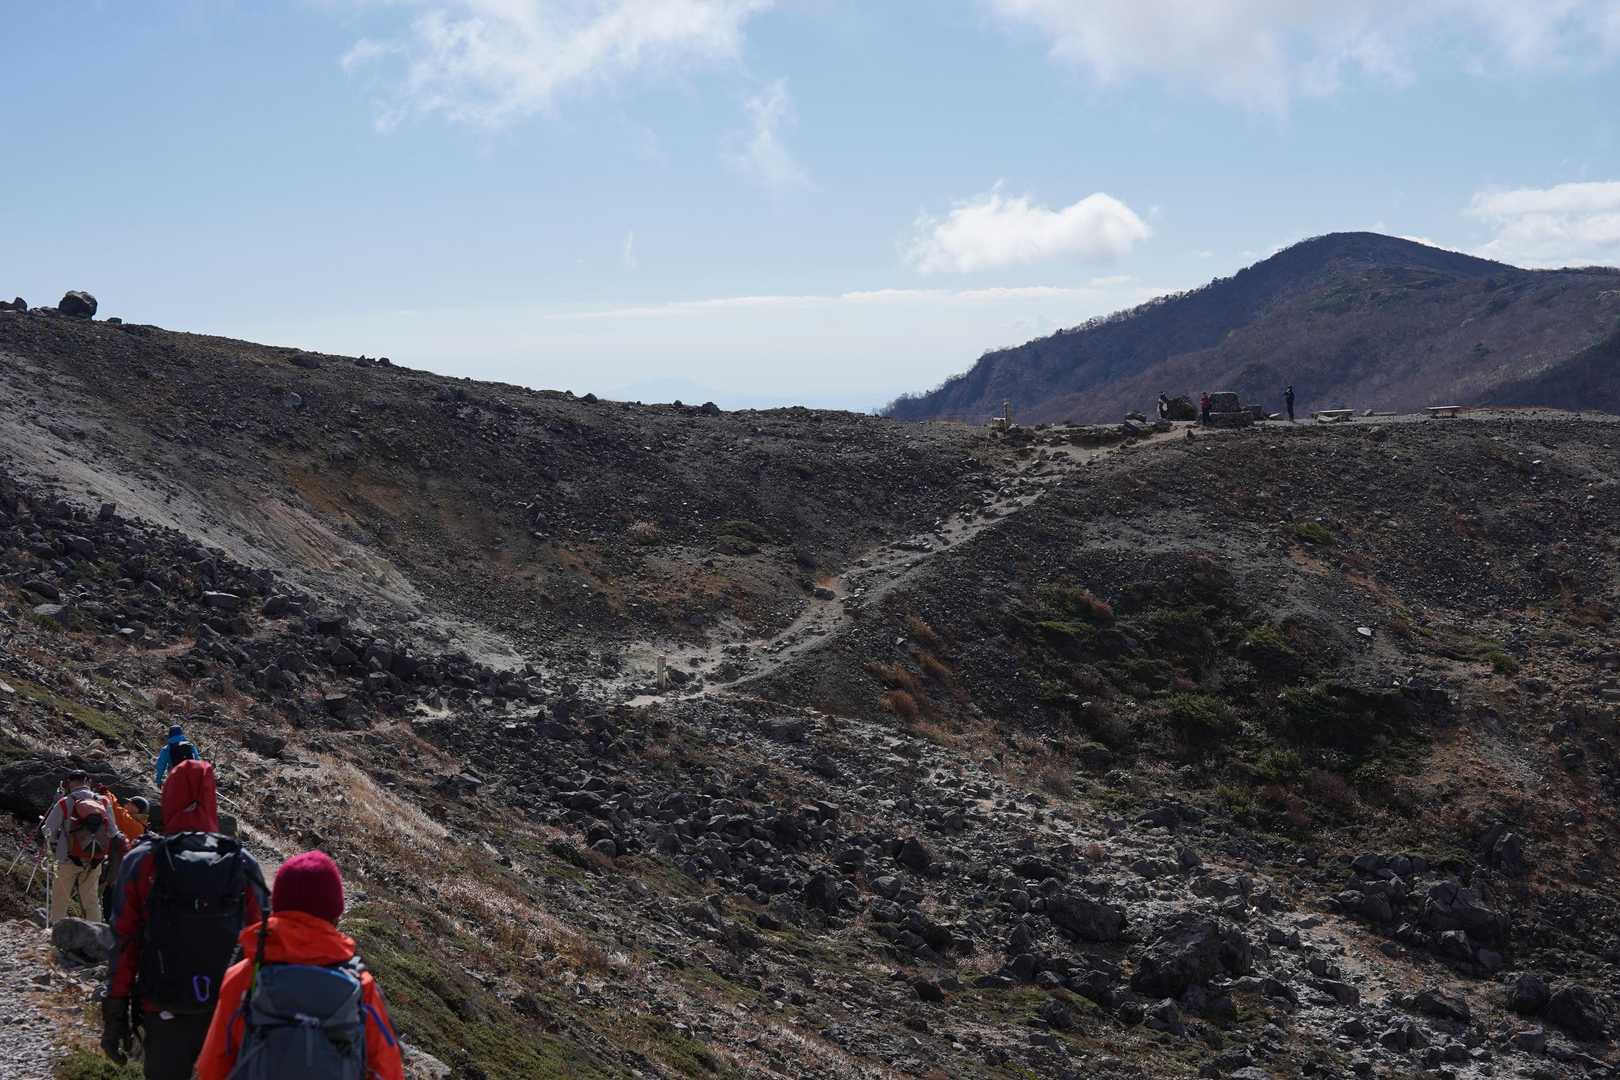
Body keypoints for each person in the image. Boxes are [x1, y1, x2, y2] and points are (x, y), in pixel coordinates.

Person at [103, 760, 267, 1079]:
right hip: (228, 1010)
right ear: (211, 799)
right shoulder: (240, 861)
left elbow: (124, 941)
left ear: (168, 798)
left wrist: (115, 1011)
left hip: (162, 1007)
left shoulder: (143, 860)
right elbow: (262, 941)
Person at [195, 851, 404, 1080]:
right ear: (335, 914)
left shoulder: (244, 977)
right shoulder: (361, 987)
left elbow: (212, 1068)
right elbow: (388, 1071)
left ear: (277, 907)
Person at [41, 771, 118, 925]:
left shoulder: (65, 802)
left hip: (67, 858)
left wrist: (56, 843)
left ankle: (57, 931)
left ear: (69, 783)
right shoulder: (103, 801)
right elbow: (112, 832)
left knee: (60, 899)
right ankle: (95, 933)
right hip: (95, 858)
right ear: (88, 781)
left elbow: (48, 830)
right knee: (91, 900)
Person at [99, 792, 150, 920]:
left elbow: (116, 812)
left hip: (121, 870)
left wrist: (107, 794)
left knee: (112, 900)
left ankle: (112, 926)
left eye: (130, 804)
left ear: (137, 809)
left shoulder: (134, 825)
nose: (126, 805)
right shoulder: (139, 825)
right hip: (126, 869)